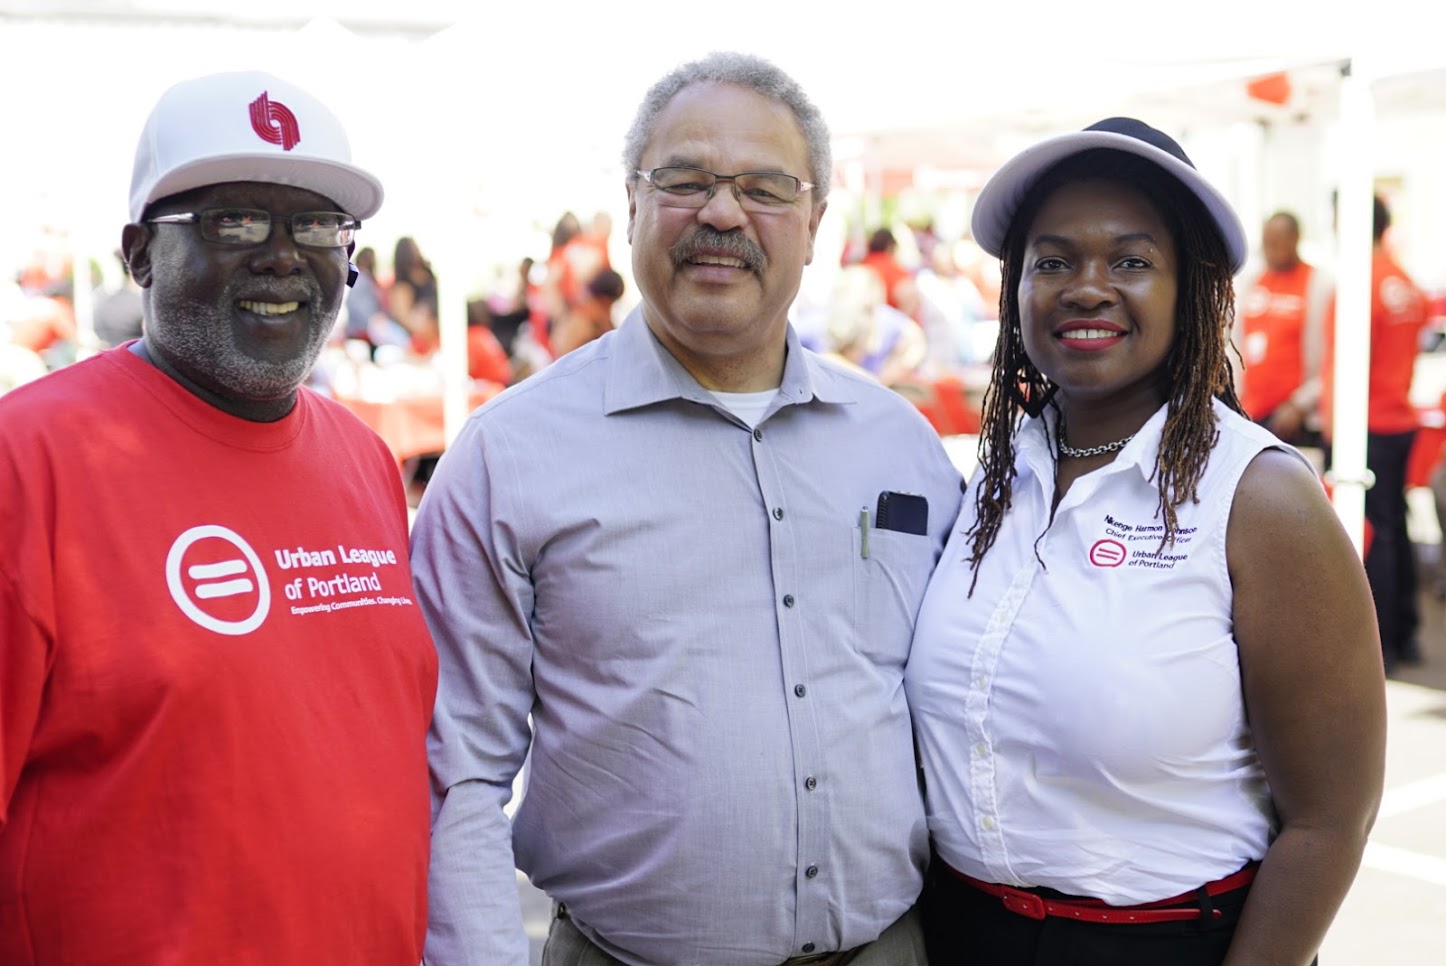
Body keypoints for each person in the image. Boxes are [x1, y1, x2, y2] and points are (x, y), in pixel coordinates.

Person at [413, 51, 963, 966]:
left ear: (815, 222)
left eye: (765, 187)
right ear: (631, 206)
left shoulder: (897, 443)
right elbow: (455, 766)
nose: (721, 212)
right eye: (686, 180)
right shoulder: (510, 453)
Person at [906, 118, 1386, 965]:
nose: (1087, 288)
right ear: (1017, 290)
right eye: (1052, 262)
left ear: (1192, 288)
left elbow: (1328, 821)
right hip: (958, 934)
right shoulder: (993, 476)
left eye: (1131, 261)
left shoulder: (1262, 500)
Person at [0, 70, 438, 963]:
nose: (283, 255)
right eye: (233, 220)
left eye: (315, 224)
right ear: (140, 254)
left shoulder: (362, 458)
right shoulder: (27, 461)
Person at [1321, 194, 1431, 670]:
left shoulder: (1361, 284)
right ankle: (1403, 632)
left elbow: (1348, 363)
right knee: (1394, 526)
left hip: (1362, 425)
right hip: (1396, 420)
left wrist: (1331, 426)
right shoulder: (1403, 281)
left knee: (1368, 534)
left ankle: (1377, 642)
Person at [1235, 211, 1332, 446]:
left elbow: (1329, 357)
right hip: (1251, 413)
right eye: (1266, 243)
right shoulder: (1252, 282)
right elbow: (1236, 344)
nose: (1270, 250)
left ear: (1295, 239)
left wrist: (1301, 403)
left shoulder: (1319, 284)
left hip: (1297, 417)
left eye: (1277, 243)